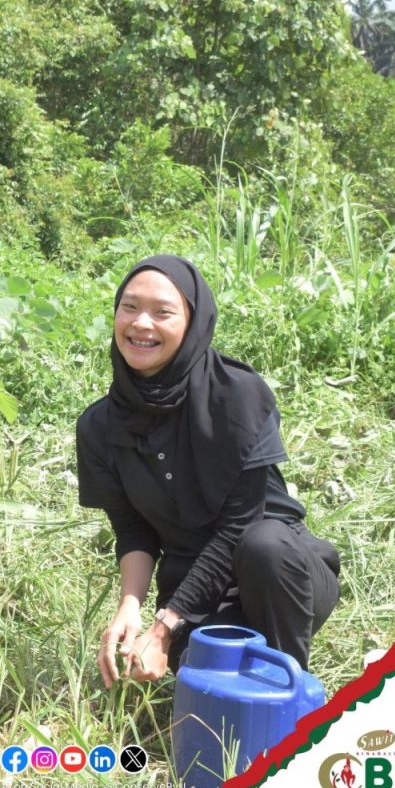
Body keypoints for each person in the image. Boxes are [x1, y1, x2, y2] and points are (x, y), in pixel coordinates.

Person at [76, 255, 340, 689]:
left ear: (193, 323)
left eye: (162, 312)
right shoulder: (99, 426)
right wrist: (131, 608)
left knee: (263, 543)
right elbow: (132, 529)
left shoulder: (238, 397)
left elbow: (239, 528)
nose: (141, 323)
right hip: (193, 590)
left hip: (283, 575)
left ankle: (290, 692)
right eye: (129, 307)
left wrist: (163, 627)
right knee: (208, 680)